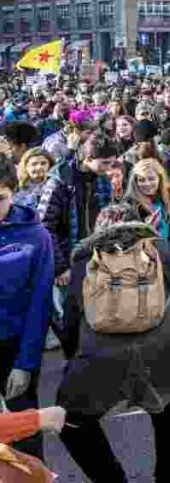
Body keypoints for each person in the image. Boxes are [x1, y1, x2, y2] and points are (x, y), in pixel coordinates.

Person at [57, 203, 170, 483]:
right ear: (140, 224)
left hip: (99, 358)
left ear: (99, 230)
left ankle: (112, 479)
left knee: (71, 421)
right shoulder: (168, 252)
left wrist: (74, 358)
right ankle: (169, 476)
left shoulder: (85, 260)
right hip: (162, 352)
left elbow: (70, 318)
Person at [0, 157, 54, 461]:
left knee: (23, 433)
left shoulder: (36, 237)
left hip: (13, 348)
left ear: (13, 192)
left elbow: (40, 304)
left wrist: (25, 363)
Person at [37, 133, 119, 285]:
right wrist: (60, 267)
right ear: (87, 159)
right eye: (105, 163)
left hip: (96, 259)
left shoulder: (102, 180)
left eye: (112, 164)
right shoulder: (59, 183)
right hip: (67, 263)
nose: (109, 169)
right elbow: (45, 227)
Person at [122, 158, 170, 256]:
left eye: (151, 179)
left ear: (159, 179)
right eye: (141, 180)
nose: (147, 184)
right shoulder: (129, 207)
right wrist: (146, 230)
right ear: (135, 182)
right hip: (145, 262)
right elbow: (126, 241)